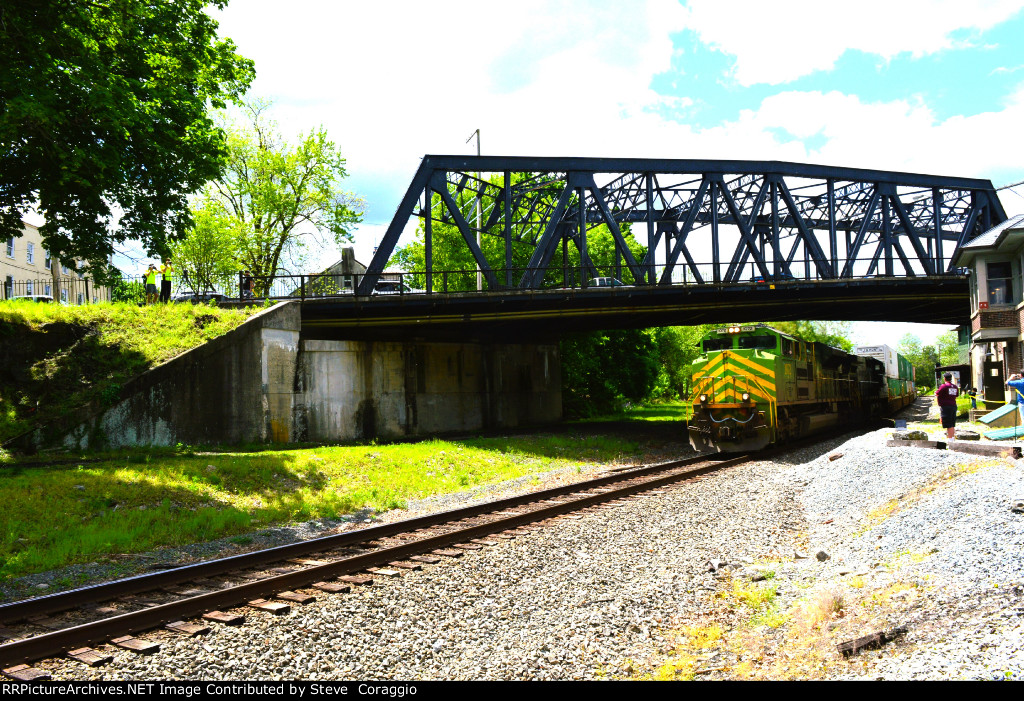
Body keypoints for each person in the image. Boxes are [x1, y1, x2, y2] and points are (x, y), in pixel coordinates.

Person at [934, 372, 959, 440]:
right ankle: (952, 438)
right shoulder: (955, 386)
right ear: (951, 378)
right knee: (952, 423)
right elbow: (956, 395)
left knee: (948, 424)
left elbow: (937, 393)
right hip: (953, 406)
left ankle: (950, 440)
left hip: (946, 407)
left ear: (944, 378)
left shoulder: (944, 386)